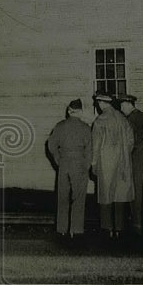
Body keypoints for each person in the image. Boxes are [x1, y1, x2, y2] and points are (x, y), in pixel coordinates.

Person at [46, 98, 92, 241]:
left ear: (69, 111)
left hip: (64, 163)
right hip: (79, 163)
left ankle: (61, 229)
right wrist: (86, 165)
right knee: (78, 197)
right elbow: (90, 150)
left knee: (63, 196)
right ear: (80, 112)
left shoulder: (60, 126)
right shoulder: (86, 128)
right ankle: (76, 229)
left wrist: (58, 160)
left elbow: (51, 145)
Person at [91, 92, 134, 239]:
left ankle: (107, 228)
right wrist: (124, 156)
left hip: (106, 162)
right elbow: (130, 142)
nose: (98, 105)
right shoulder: (123, 119)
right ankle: (119, 229)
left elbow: (95, 146)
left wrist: (94, 163)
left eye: (98, 103)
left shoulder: (100, 121)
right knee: (120, 195)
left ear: (102, 103)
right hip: (122, 161)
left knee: (105, 195)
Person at [119, 94, 143, 238]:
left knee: (135, 192)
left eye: (122, 105)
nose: (121, 108)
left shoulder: (129, 120)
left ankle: (137, 227)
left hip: (138, 157)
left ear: (129, 104)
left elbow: (128, 143)